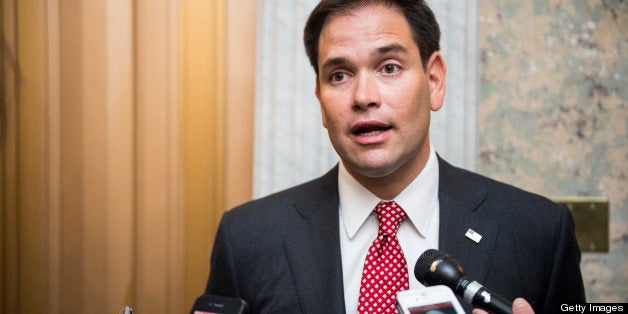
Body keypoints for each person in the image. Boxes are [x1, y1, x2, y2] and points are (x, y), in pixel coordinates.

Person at [202, 0, 585, 313]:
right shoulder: (246, 239)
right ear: (319, 99)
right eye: (338, 75)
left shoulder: (538, 231)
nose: (363, 95)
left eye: (389, 67)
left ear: (434, 81)